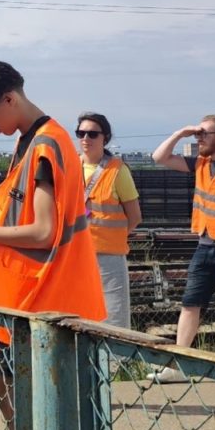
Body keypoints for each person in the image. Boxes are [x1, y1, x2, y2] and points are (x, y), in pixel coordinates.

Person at [0, 59, 106, 430]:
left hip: (41, 300)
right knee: (7, 385)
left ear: (9, 99)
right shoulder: (31, 140)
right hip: (21, 302)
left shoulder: (45, 145)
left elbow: (46, 231)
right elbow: (33, 212)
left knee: (27, 397)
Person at [147, 115, 215, 382]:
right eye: (197, 135)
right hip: (204, 243)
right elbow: (159, 157)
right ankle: (178, 365)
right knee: (190, 304)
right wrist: (180, 133)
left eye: (204, 133)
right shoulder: (201, 163)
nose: (199, 138)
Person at [77, 112, 142, 329]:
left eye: (92, 134)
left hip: (108, 255)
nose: (86, 138)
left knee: (113, 315)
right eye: (81, 133)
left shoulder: (117, 170)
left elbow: (134, 217)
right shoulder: (69, 168)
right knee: (78, 313)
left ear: (105, 137)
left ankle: (115, 363)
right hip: (75, 253)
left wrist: (111, 238)